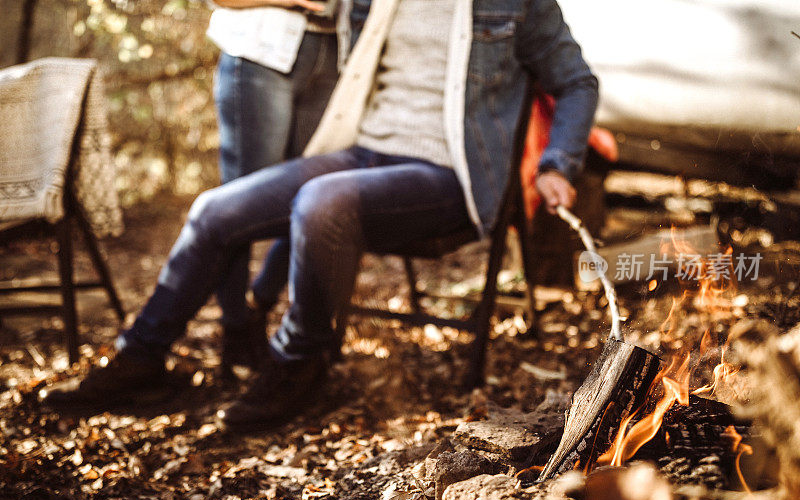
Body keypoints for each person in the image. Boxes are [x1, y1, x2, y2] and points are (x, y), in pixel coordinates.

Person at [42, 0, 598, 427]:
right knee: (215, 209)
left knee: (322, 201)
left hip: (450, 176)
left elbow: (576, 82)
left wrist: (558, 164)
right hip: (364, 152)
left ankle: (296, 363)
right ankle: (141, 360)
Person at [206, 0, 348, 368]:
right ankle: (236, 331)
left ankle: (260, 303)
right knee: (239, 205)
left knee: (316, 197)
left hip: (336, 54)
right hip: (260, 50)